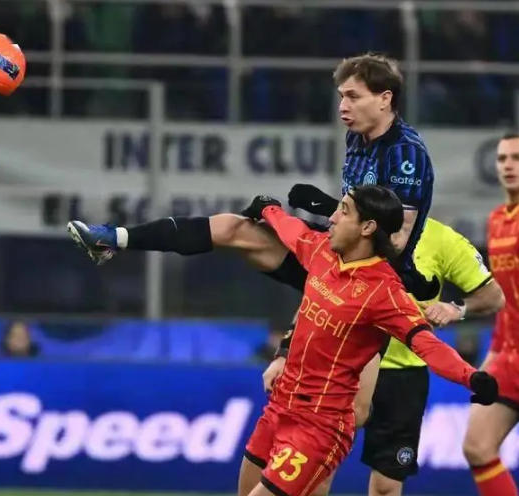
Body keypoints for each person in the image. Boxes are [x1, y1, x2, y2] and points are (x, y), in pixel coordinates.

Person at [67, 53, 437, 300]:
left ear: (385, 99)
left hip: (371, 283)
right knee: (234, 227)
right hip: (335, 260)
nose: (343, 106)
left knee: (349, 392)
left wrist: (323, 210)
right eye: (341, 96)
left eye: (354, 97)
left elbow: (394, 240)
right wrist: (311, 218)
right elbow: (356, 215)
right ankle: (114, 239)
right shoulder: (357, 137)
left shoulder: (405, 153)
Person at [235, 186, 497, 496]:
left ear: (368, 227)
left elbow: (427, 344)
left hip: (319, 426)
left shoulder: (385, 293)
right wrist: (268, 209)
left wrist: (472, 377)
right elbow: (293, 231)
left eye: (344, 210)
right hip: (279, 408)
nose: (332, 217)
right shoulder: (322, 251)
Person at [462, 133, 519, 496]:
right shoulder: (497, 220)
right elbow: (503, 299)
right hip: (509, 356)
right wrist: (494, 353)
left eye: (517, 158)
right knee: (477, 446)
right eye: (502, 159)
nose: (508, 165)